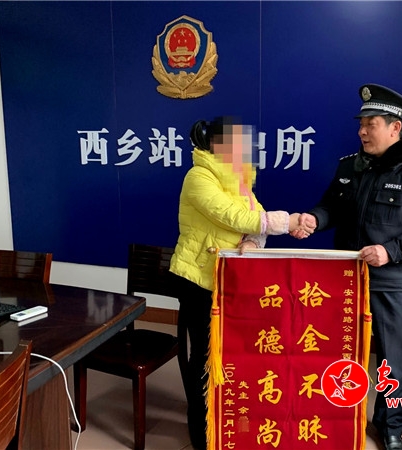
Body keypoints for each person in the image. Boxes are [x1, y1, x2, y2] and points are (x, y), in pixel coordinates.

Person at [295, 84, 402, 450]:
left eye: (371, 124)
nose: (362, 131)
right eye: (361, 124)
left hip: (391, 282)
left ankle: (389, 426)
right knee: (341, 351)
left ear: (395, 127)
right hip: (346, 279)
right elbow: (331, 207)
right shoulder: (350, 166)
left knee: (391, 361)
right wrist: (315, 219)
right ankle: (341, 415)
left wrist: (390, 251)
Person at [169, 116, 314, 450]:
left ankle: (222, 418)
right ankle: (201, 431)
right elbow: (233, 217)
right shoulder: (199, 177)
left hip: (228, 283)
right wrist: (287, 221)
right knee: (204, 356)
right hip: (198, 281)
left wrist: (253, 242)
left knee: (228, 355)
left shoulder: (239, 182)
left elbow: (254, 223)